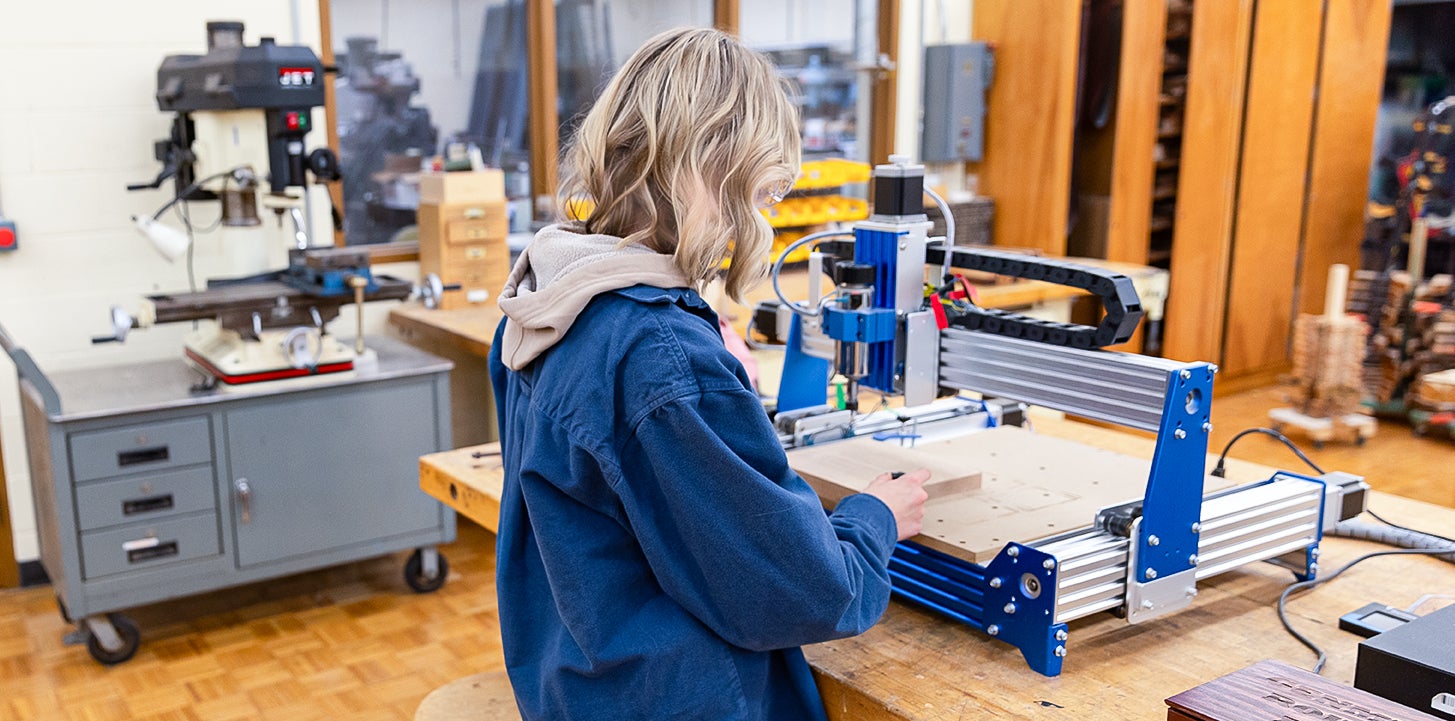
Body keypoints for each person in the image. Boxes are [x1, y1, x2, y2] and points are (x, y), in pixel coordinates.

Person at [488, 27, 931, 721]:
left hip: (575, 683)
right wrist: (874, 520)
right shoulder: (662, 357)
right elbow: (807, 593)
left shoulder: (541, 300)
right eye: (763, 192)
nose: (756, 220)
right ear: (714, 167)